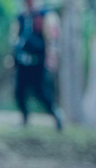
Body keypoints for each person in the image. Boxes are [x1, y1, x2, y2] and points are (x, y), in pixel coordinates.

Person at [13, 0, 63, 130]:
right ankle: (25, 117)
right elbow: (17, 38)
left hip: (38, 62)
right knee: (19, 91)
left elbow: (52, 39)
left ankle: (56, 115)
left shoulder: (45, 15)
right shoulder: (22, 17)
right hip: (23, 61)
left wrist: (51, 57)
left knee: (42, 93)